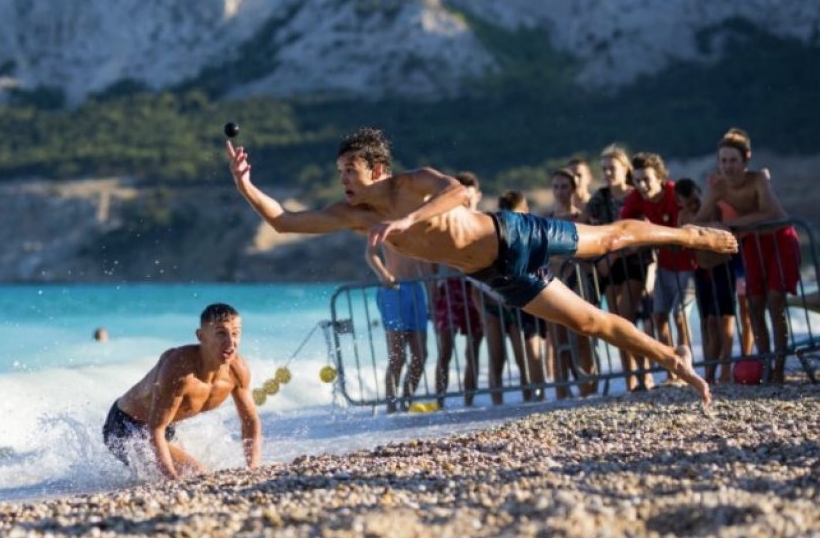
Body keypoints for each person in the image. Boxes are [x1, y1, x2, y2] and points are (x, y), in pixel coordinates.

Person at [227, 127, 737, 403]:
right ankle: (674, 360)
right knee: (590, 321)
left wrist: (406, 225)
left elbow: (455, 194)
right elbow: (283, 221)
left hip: (513, 234)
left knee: (610, 240)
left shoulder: (412, 182)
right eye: (340, 173)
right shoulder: (352, 214)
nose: (344, 181)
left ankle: (686, 233)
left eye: (350, 172)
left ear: (377, 170)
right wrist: (246, 184)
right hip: (495, 275)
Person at [103, 303, 261, 479]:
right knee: (197, 475)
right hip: (126, 426)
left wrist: (252, 467)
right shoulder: (179, 370)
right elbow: (156, 429)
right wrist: (173, 480)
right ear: (201, 336)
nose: (231, 343)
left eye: (235, 334)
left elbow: (250, 419)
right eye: (221, 334)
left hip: (163, 426)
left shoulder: (237, 370)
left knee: (194, 473)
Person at [697, 128, 802, 382]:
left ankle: (778, 368)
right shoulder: (719, 187)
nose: (728, 166)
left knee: (775, 303)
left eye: (733, 160)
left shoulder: (758, 179)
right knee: (755, 307)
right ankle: (764, 364)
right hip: (753, 243)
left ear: (746, 159)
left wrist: (733, 225)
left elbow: (771, 214)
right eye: (723, 161)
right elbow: (700, 219)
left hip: (781, 240)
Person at [584, 145, 653, 392]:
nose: (607, 173)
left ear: (624, 169)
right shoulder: (599, 199)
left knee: (627, 317)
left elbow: (644, 233)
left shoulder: (636, 195)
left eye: (612, 168)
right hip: (609, 266)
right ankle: (630, 378)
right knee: (615, 323)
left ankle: (644, 373)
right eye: (603, 169)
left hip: (634, 262)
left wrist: (613, 254)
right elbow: (589, 229)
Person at [622, 153, 696, 379]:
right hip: (664, 264)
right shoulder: (637, 197)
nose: (642, 185)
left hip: (689, 264)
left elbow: (692, 220)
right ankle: (673, 371)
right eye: (637, 180)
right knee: (659, 317)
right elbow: (623, 224)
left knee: (680, 316)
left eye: (647, 179)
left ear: (661, 178)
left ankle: (688, 368)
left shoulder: (675, 193)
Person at [478, 191, 545, 404]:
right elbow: (477, 276)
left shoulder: (530, 231)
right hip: (492, 305)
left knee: (522, 357)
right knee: (496, 359)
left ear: (525, 212)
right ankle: (496, 404)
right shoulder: (494, 233)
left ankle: (533, 399)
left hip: (517, 303)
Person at [429, 172, 483, 409]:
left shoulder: (484, 219)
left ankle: (469, 403)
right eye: (462, 197)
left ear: (477, 196)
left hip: (476, 288)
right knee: (445, 350)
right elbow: (430, 258)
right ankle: (440, 404)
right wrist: (432, 288)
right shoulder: (447, 221)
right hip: (450, 290)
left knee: (473, 349)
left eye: (469, 197)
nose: (466, 202)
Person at [676, 178, 736, 384]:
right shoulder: (682, 216)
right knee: (708, 322)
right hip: (701, 269)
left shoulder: (712, 210)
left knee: (725, 318)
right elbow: (679, 242)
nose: (694, 206)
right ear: (681, 203)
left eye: (696, 201)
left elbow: (722, 227)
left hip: (722, 266)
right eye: (689, 203)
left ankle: (726, 368)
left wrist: (694, 228)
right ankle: (710, 371)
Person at [546, 168, 597, 396]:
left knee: (582, 335)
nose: (559, 191)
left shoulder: (581, 218)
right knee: (557, 340)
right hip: (552, 284)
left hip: (579, 281)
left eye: (564, 186)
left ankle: (588, 388)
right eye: (556, 186)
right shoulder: (546, 220)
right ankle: (561, 391)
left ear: (573, 189)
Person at [365, 239, 428, 413]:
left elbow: (426, 260)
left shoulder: (417, 219)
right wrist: (383, 274)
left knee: (421, 354)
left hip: (416, 288)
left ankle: (406, 401)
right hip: (393, 289)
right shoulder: (384, 221)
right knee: (397, 355)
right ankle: (391, 408)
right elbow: (370, 253)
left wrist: (432, 290)